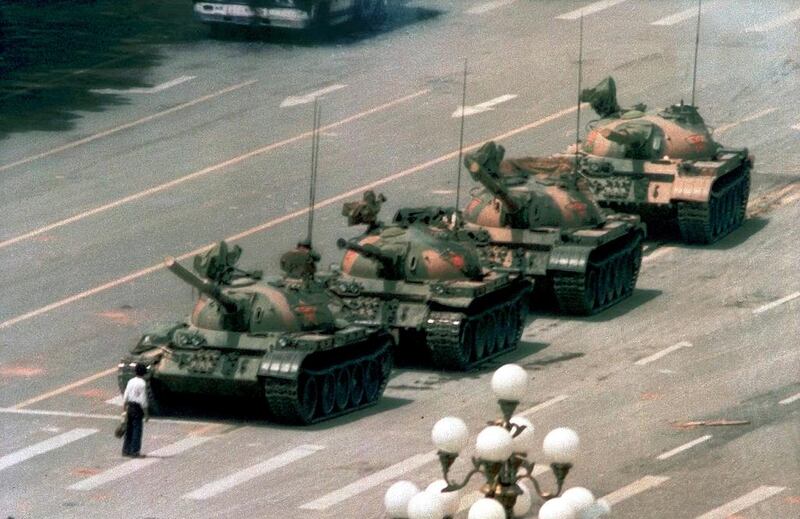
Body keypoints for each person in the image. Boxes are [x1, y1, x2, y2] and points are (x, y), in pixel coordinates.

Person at [122, 363, 149, 457]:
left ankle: (126, 450)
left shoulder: (130, 381)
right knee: (137, 430)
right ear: (144, 373)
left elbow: (126, 395)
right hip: (137, 408)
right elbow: (143, 400)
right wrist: (146, 413)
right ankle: (135, 451)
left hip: (130, 406)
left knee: (129, 429)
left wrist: (124, 409)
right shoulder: (142, 383)